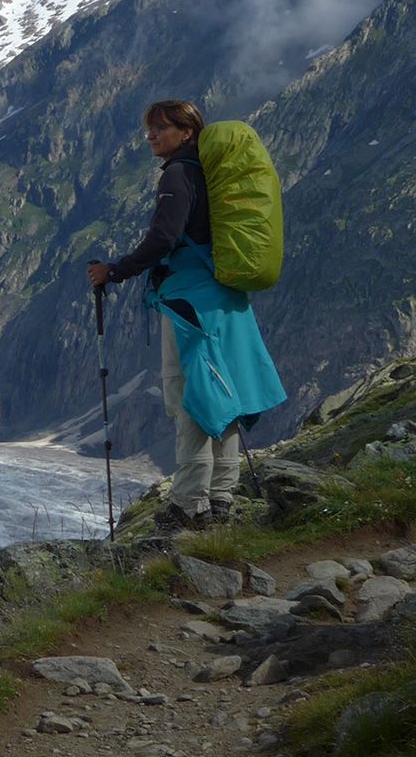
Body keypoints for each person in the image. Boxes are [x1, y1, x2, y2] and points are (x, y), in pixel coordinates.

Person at [87, 100, 286, 534]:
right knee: (224, 392)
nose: (151, 135)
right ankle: (221, 498)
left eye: (161, 127)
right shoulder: (206, 176)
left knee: (189, 397)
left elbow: (163, 236)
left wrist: (116, 270)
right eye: (150, 128)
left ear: (187, 132)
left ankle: (188, 502)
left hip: (188, 300)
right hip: (223, 294)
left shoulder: (178, 175)